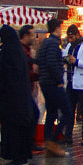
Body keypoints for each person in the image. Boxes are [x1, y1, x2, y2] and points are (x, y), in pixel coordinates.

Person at [0, 25, 37, 165]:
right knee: (21, 128)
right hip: (22, 97)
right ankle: (23, 155)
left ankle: (18, 158)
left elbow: (1, 72)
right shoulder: (18, 51)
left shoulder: (8, 52)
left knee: (13, 129)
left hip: (11, 99)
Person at [35, 18, 68, 155]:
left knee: (52, 112)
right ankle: (52, 142)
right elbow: (51, 62)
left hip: (45, 82)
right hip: (52, 83)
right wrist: (58, 79)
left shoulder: (45, 44)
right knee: (67, 111)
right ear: (57, 29)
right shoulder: (53, 43)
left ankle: (50, 142)